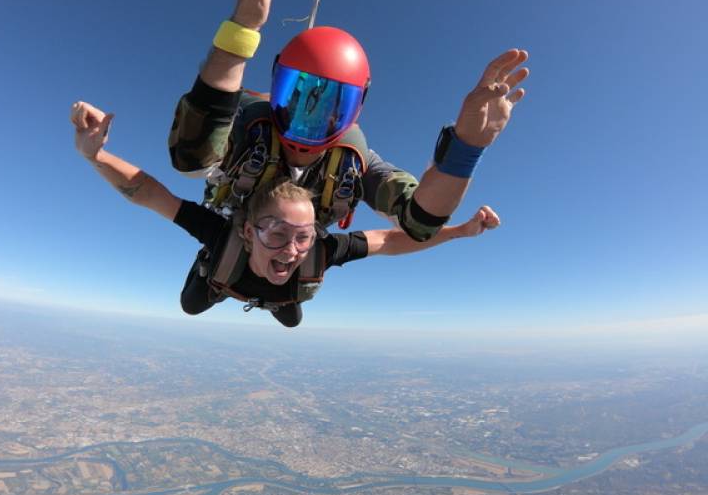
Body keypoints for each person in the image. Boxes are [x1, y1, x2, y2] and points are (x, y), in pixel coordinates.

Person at [167, 0, 527, 302]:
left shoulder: (355, 160)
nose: (310, 116)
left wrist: (466, 148)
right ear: (277, 88)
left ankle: (281, 301)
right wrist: (245, 24)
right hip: (239, 230)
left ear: (353, 112)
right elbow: (192, 154)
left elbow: (419, 221)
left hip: (294, 255)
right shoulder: (250, 123)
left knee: (290, 300)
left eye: (330, 106)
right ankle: (227, 279)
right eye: (299, 96)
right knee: (197, 297)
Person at [72, 101, 501, 327]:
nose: (294, 250)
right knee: (191, 305)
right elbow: (151, 193)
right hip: (225, 273)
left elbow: (392, 239)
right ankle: (238, 288)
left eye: (304, 236)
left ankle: (274, 302)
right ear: (245, 230)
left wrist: (460, 231)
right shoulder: (222, 236)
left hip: (271, 288)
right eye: (276, 233)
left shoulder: (319, 250)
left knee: (290, 312)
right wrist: (95, 155)